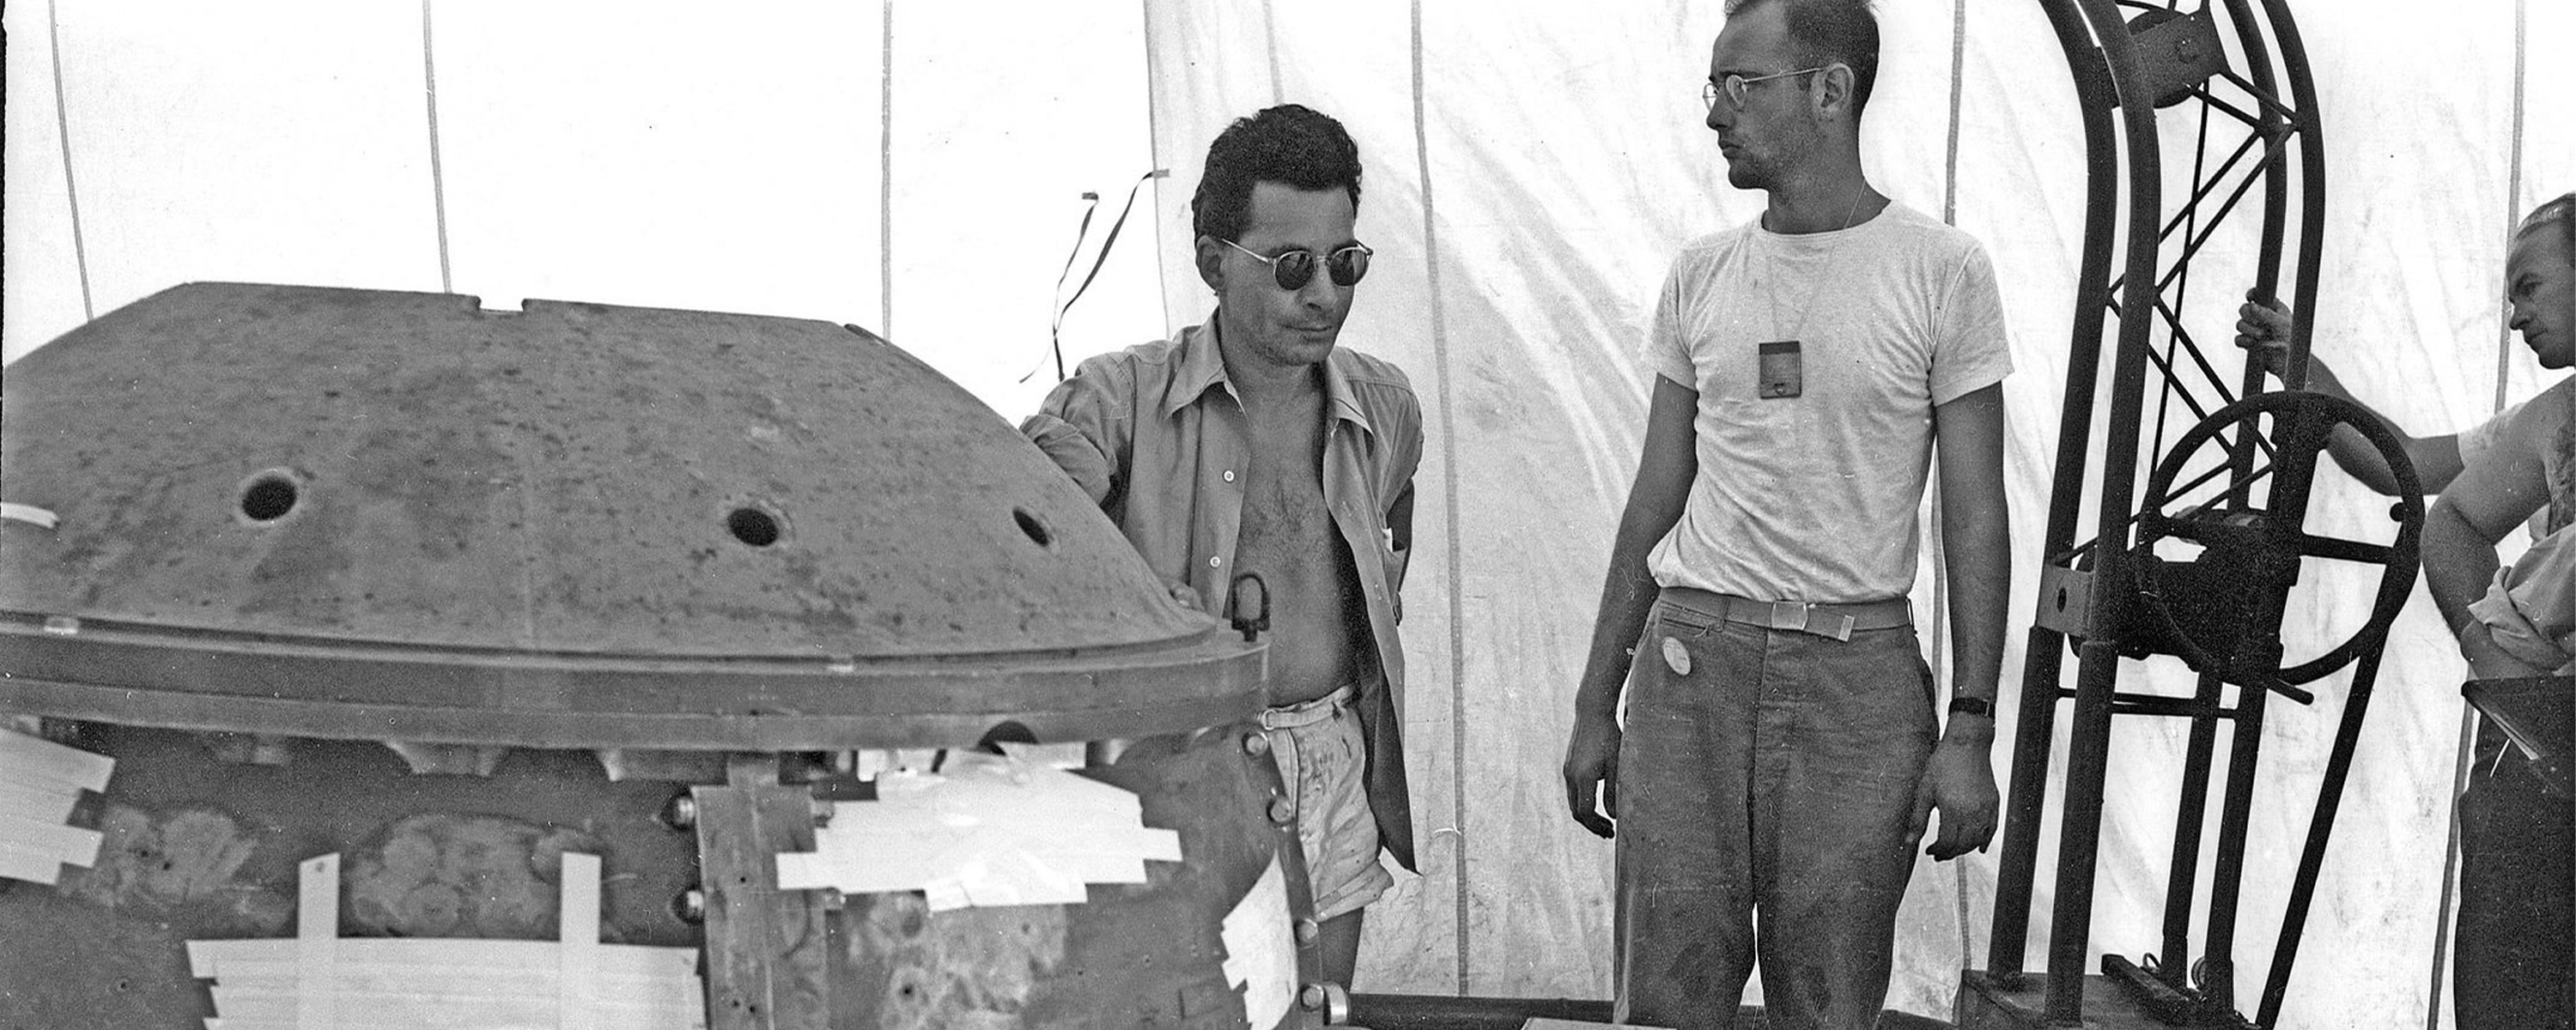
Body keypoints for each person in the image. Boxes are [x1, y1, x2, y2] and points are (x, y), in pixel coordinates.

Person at [1557, 2, 2012, 1027]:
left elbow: (1975, 518)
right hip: (1690, 668)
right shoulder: (1702, 273)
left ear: (1832, 90)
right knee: (1666, 1002)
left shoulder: (1942, 271)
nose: (1715, 112)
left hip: (1859, 684)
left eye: (1741, 85)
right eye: (1712, 87)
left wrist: (1973, 728)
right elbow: (1653, 499)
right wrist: (1596, 701)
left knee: (1830, 1001)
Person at [1020, 103, 1419, 988]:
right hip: (1181, 773)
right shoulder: (1116, 400)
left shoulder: (1386, 408)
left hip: (1331, 755)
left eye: (1344, 262)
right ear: (1211, 262)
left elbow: (1390, 539)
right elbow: (1022, 541)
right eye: (1290, 267)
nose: (1324, 294)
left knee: (1322, 1009)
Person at [2417, 194, 2574, 1030]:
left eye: (2529, 288)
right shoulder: (2554, 416)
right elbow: (2444, 511)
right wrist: (2486, 647)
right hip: (2535, 732)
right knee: (2505, 1000)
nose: (2515, 317)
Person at [2231, 195, 2576, 499]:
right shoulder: (2529, 424)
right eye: (2513, 302)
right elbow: (2401, 464)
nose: (2515, 321)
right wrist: (2296, 363)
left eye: (2530, 288)